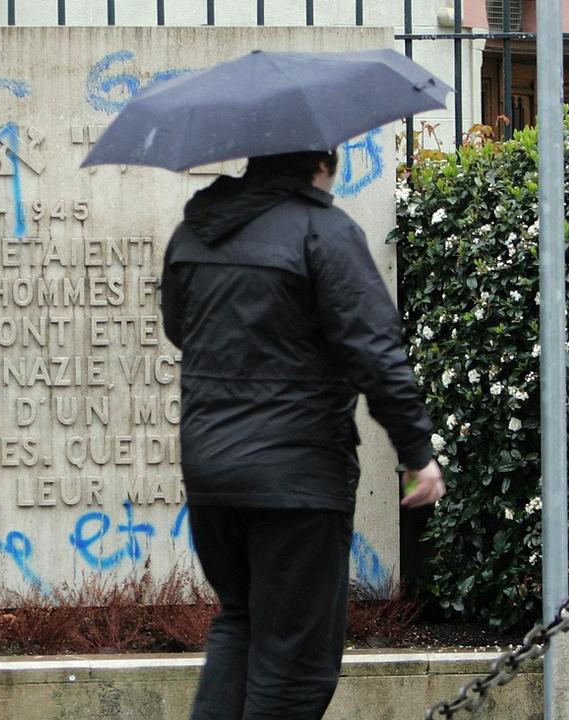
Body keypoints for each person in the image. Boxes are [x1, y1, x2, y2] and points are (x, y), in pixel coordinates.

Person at [160, 150, 445, 720]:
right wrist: (417, 452)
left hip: (212, 469)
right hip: (299, 477)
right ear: (322, 161)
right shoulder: (324, 231)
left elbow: (178, 328)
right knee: (295, 664)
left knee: (241, 622)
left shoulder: (196, 232)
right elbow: (377, 353)